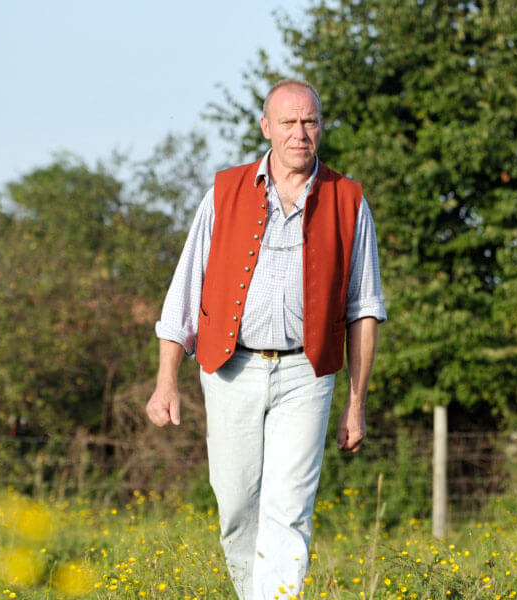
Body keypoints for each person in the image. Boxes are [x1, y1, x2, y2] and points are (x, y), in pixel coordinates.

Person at [146, 78, 385, 600]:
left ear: (321, 127)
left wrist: (356, 403)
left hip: (307, 372)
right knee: (236, 508)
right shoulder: (225, 191)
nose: (300, 134)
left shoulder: (348, 200)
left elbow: (364, 309)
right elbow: (184, 291)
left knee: (288, 508)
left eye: (310, 122)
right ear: (265, 128)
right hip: (230, 369)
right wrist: (166, 381)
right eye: (289, 123)